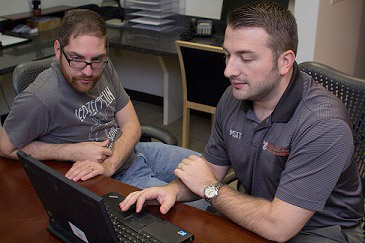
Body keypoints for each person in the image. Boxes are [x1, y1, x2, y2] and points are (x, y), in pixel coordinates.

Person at [119, 2, 364, 242]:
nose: (228, 71)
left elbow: (279, 227)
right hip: (261, 209)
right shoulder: (235, 96)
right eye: (228, 55)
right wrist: (170, 191)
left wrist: (210, 188)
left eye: (245, 58)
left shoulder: (323, 125)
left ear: (285, 62)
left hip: (319, 230)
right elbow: (211, 170)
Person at [0, 9, 199, 188]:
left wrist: (110, 165)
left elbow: (132, 125)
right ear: (58, 50)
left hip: (132, 153)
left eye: (96, 59)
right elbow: (6, 147)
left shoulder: (104, 65)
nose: (88, 71)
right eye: (77, 59)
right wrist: (70, 152)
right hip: (110, 180)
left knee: (207, 170)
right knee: (198, 213)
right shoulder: (40, 98)